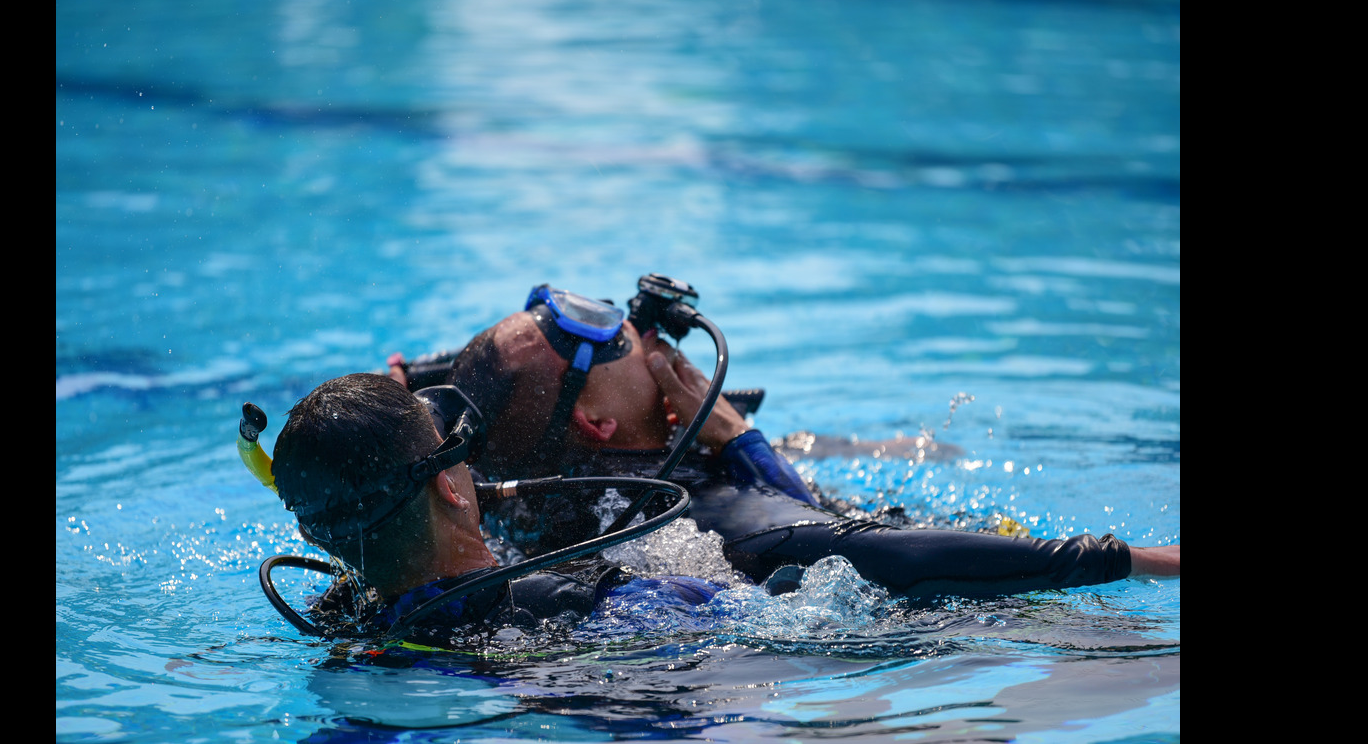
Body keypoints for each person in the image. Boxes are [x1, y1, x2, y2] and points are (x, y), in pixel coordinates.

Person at [443, 284, 1180, 598]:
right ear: (596, 426)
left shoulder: (518, 496)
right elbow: (853, 547)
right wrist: (1142, 560)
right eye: (609, 345)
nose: (636, 333)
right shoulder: (698, 508)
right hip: (945, 626)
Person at [266, 372, 721, 642]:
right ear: (449, 487)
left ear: (310, 534)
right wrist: (742, 442)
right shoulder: (589, 602)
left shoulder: (341, 618)